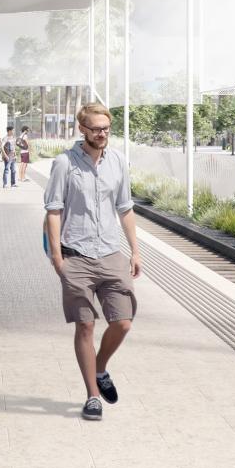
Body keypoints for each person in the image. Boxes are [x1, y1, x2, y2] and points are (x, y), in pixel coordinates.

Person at [44, 103, 140, 422]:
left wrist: (135, 251)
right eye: (96, 129)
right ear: (82, 129)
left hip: (111, 251)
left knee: (123, 320)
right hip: (75, 254)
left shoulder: (118, 162)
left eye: (106, 129)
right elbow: (54, 210)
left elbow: (125, 208)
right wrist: (57, 257)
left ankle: (100, 367)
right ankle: (92, 396)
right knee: (85, 325)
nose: (102, 134)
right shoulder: (64, 164)